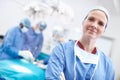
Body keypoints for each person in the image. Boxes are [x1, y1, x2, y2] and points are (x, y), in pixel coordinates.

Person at [46, 6, 115, 80]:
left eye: (100, 23)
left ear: (104, 30)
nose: (94, 25)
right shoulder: (62, 50)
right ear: (83, 22)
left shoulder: (107, 64)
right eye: (91, 19)